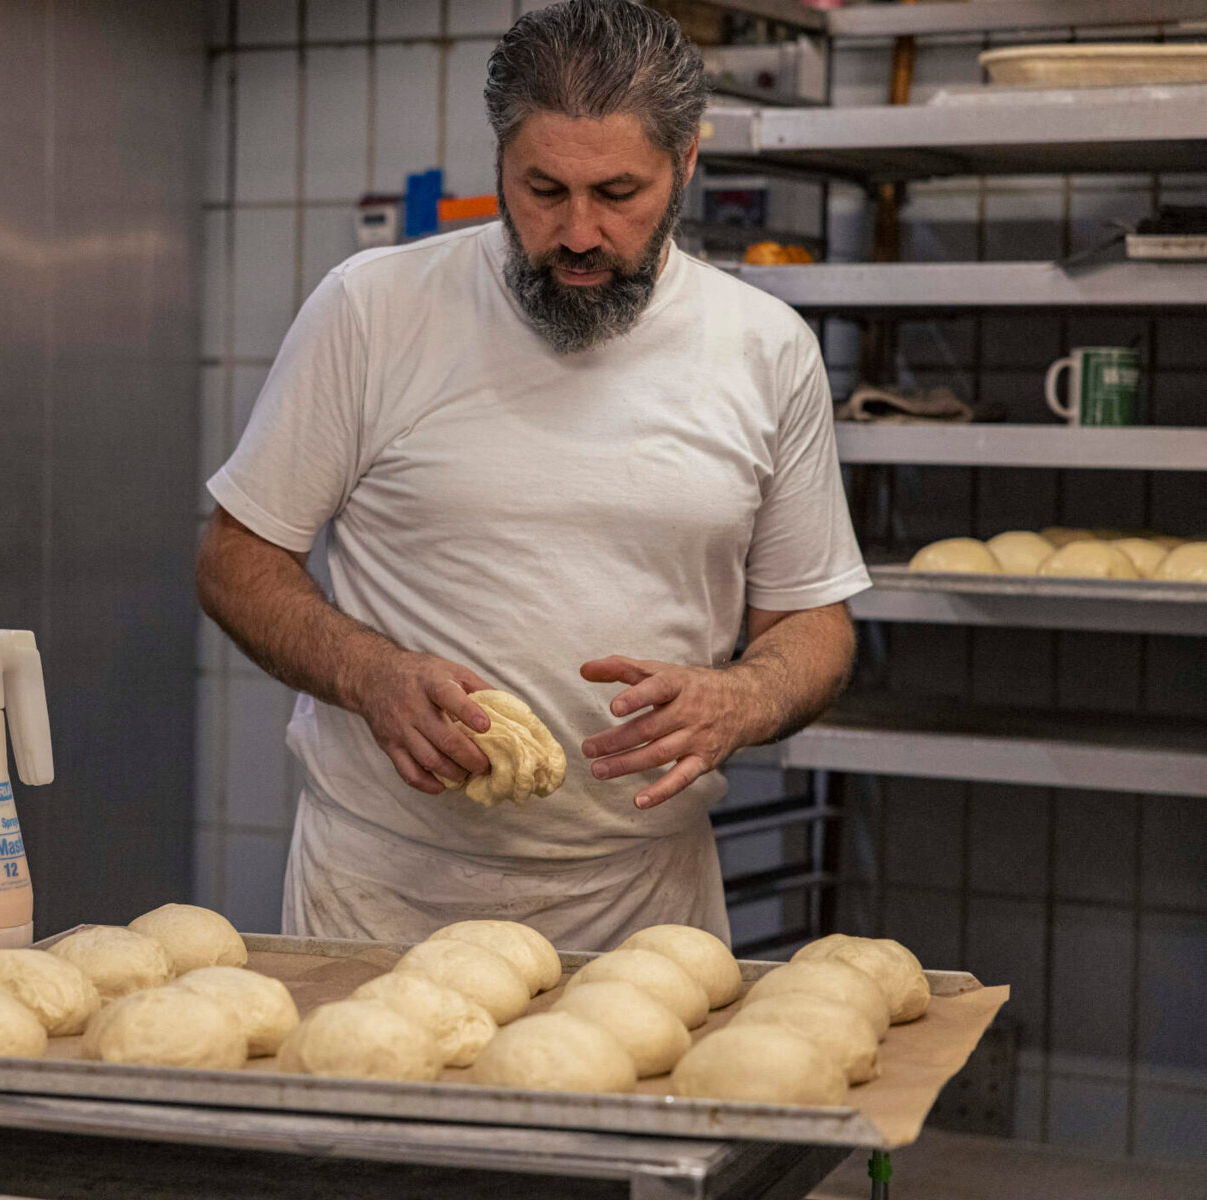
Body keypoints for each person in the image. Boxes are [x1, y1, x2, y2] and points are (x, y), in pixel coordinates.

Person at [197, 0, 867, 951]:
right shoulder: (374, 310)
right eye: (544, 190)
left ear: (684, 167)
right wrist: (371, 673)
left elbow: (813, 620)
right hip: (386, 895)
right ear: (501, 161)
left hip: (641, 904)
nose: (580, 233)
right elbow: (236, 560)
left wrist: (746, 699)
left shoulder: (763, 349)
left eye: (619, 193)